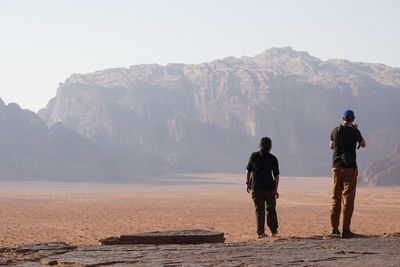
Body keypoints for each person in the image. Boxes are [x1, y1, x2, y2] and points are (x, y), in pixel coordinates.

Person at [329, 110, 366, 238]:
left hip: (336, 167)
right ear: (353, 119)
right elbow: (363, 144)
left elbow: (331, 146)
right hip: (350, 168)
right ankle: (345, 230)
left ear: (343, 118)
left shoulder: (335, 130)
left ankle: (334, 228)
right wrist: (355, 130)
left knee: (335, 197)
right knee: (348, 199)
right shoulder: (355, 131)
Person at [246, 137, 280, 239]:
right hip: (269, 188)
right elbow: (276, 177)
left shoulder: (254, 155)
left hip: (255, 187)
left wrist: (248, 183)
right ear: (270, 147)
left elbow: (248, 171)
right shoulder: (273, 158)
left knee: (259, 210)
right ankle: (273, 232)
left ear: (260, 145)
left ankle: (260, 233)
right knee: (271, 209)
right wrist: (275, 190)